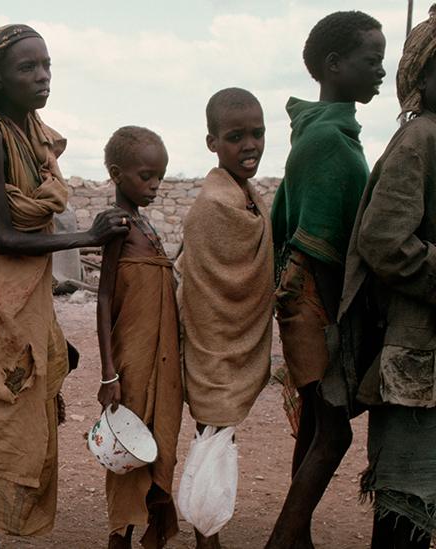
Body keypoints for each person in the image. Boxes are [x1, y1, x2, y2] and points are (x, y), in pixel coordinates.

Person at [0, 24, 129, 548]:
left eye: (46, 65)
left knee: (28, 409)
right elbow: (2, 236)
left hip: (29, 300)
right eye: (27, 68)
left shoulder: (32, 133)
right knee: (6, 411)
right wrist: (84, 236)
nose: (42, 77)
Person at [266, 11, 386, 549]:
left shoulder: (326, 133)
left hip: (307, 300)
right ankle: (284, 538)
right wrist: (345, 324)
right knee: (333, 431)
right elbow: (318, 243)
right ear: (335, 66)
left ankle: (298, 536)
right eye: (372, 61)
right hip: (315, 303)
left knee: (316, 425)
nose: (381, 71)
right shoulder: (328, 145)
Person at [337, 6, 436, 547]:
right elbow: (384, 242)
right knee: (407, 509)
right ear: (423, 76)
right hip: (416, 356)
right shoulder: (420, 139)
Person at [176, 88, 273, 549]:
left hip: (236, 338)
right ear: (212, 141)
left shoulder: (246, 195)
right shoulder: (211, 206)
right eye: (236, 136)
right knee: (211, 436)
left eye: (257, 134)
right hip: (212, 341)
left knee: (219, 438)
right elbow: (205, 287)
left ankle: (207, 529)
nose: (249, 145)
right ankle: (205, 535)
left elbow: (251, 274)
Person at [97, 126, 182, 549]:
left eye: (159, 177)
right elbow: (104, 297)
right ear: (117, 174)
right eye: (146, 176)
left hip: (162, 358)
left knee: (159, 436)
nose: (154, 185)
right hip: (131, 357)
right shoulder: (116, 227)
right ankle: (120, 537)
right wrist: (109, 372)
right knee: (130, 446)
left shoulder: (144, 224)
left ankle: (148, 525)